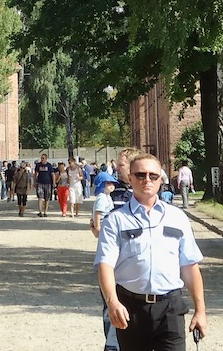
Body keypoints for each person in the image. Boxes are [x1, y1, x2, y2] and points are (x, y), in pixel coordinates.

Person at [95, 152, 208, 350]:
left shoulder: (177, 217)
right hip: (131, 308)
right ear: (130, 178)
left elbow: (190, 266)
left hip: (170, 308)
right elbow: (105, 265)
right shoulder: (115, 220)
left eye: (152, 176)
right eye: (140, 175)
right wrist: (112, 302)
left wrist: (201, 310)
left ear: (160, 179)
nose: (147, 180)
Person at [91, 148, 137, 351]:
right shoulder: (114, 192)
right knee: (110, 309)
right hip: (113, 262)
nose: (117, 169)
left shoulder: (150, 194)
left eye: (121, 165)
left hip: (135, 262)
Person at [34, 153, 56, 218]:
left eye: (43, 158)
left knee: (47, 198)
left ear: (46, 159)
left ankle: (45, 212)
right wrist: (34, 182)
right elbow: (36, 174)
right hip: (40, 183)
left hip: (48, 183)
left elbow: (53, 174)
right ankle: (40, 211)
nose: (42, 159)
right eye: (41, 158)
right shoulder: (38, 165)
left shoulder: (49, 165)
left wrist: (54, 182)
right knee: (40, 197)